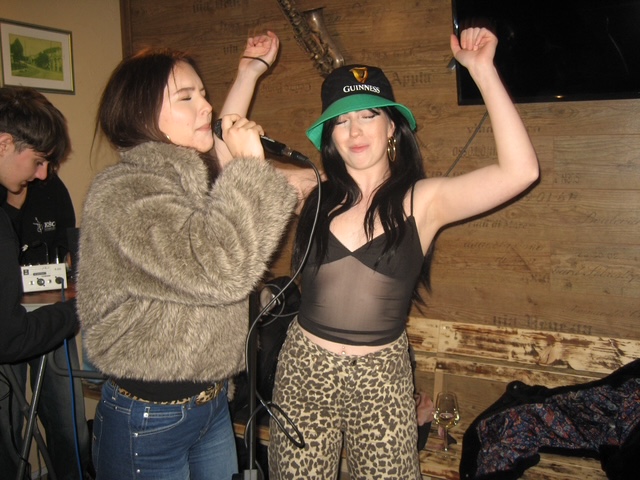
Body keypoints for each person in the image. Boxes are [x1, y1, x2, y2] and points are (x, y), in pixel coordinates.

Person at [268, 27, 540, 479]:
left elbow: (521, 171)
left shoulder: (424, 200)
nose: (355, 130)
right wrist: (249, 73)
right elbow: (229, 164)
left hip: (382, 377)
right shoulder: (311, 190)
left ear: (392, 126)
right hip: (304, 369)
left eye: (368, 115)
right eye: (341, 121)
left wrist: (482, 71)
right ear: (329, 135)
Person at [76, 32, 298, 480]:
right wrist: (252, 169)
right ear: (143, 113)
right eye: (186, 97)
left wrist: (249, 72)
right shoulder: (124, 192)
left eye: (203, 94)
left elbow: (220, 147)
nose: (207, 106)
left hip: (210, 405)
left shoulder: (185, 181)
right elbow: (223, 269)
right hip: (149, 418)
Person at [0, 87, 81, 476]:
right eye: (37, 161)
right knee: (9, 431)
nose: (42, 173)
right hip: (19, 323)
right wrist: (79, 310)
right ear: (6, 143)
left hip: (46, 314)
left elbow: (69, 252)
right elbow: (9, 337)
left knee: (67, 422)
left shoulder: (52, 189)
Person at [2, 172, 76, 265]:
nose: (43, 173)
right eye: (38, 164)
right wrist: (11, 208)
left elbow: (65, 239)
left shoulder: (53, 185)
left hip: (50, 269)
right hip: (11, 270)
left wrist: (65, 261)